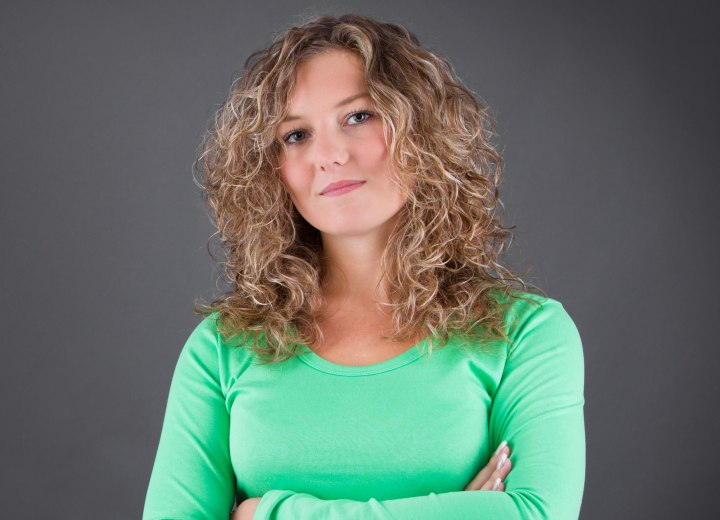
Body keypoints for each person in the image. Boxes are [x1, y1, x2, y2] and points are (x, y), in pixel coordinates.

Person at [142, 13, 585, 520]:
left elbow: (536, 514)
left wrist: (269, 513)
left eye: (358, 117)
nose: (328, 155)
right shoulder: (222, 348)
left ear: (421, 129)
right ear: (270, 171)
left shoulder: (525, 334)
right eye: (296, 135)